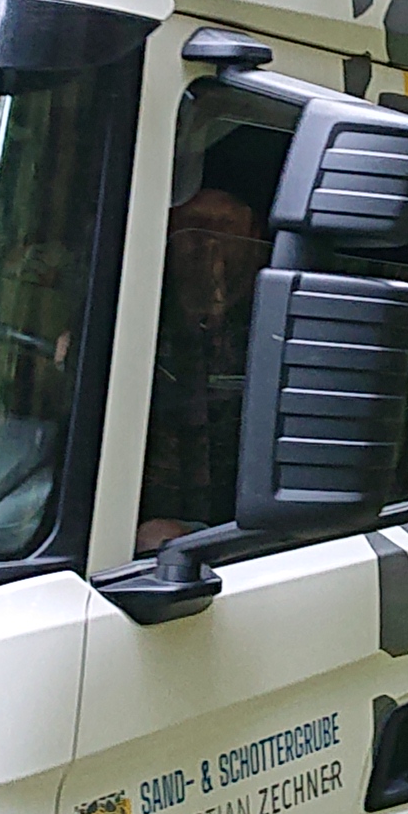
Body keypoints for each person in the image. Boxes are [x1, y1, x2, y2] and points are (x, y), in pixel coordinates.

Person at [138, 139, 276, 551]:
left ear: (254, 235)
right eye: (193, 225)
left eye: (222, 227)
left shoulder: (279, 321)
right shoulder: (133, 312)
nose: (205, 243)